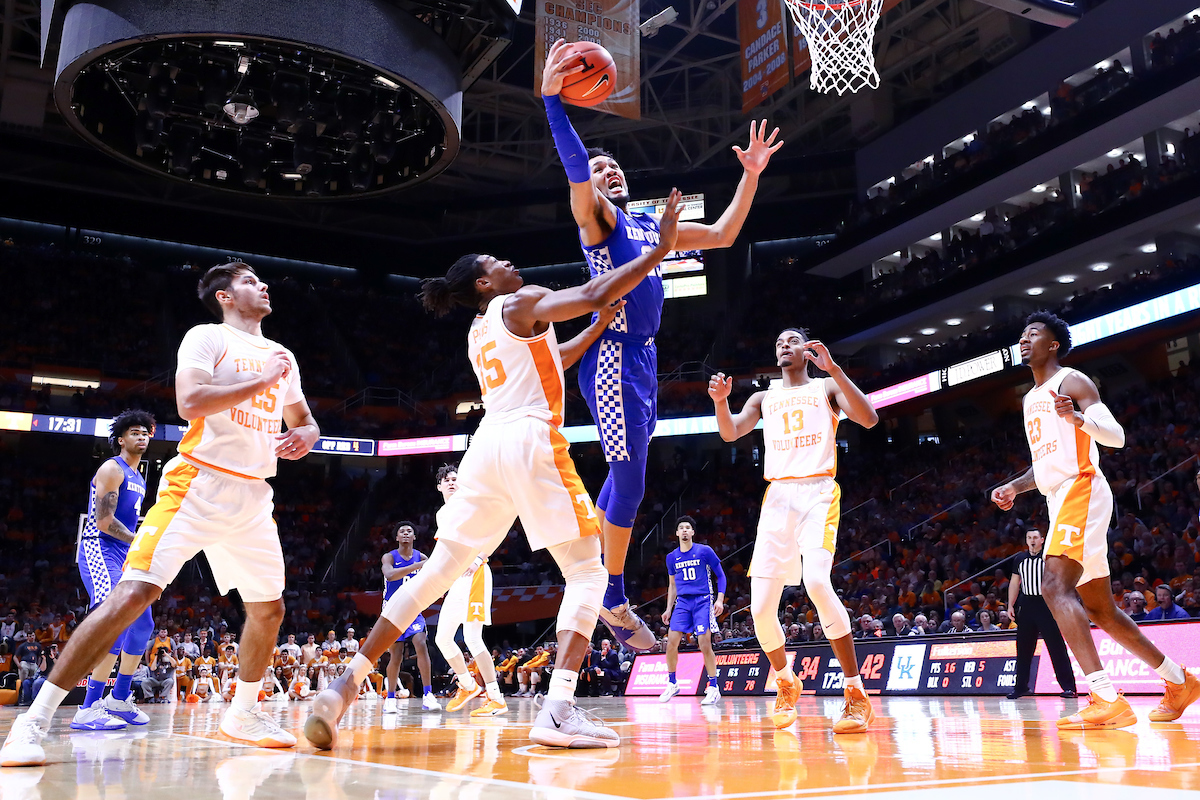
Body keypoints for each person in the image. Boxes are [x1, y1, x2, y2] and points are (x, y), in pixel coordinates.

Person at [302, 191, 682, 751]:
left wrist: (600, 327)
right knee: (588, 572)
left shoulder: (480, 330)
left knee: (435, 573)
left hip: (486, 449)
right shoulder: (522, 299)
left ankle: (343, 685)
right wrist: (661, 250)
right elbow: (597, 289)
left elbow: (556, 357)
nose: (507, 264)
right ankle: (557, 709)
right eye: (494, 264)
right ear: (484, 283)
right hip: (531, 438)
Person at [1, 262, 320, 767]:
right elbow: (190, 402)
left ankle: (242, 713)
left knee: (269, 609)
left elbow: (303, 419)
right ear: (224, 296)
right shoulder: (206, 337)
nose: (263, 286)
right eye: (249, 280)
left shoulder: (284, 356)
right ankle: (32, 723)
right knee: (134, 595)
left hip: (254, 494)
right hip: (196, 482)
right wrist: (259, 381)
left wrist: (307, 435)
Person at [540, 39, 783, 652]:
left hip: (645, 358)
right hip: (612, 353)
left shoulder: (652, 227)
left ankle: (604, 582)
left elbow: (726, 233)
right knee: (629, 472)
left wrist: (748, 176)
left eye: (615, 165)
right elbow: (573, 171)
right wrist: (553, 104)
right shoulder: (598, 222)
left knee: (633, 478)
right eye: (600, 169)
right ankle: (610, 590)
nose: (609, 169)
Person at [991, 311, 1200, 728]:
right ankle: (1180, 682)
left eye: (1033, 334)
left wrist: (1079, 418)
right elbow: (1045, 463)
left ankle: (1105, 696)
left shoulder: (1072, 381)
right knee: (1102, 609)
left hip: (1082, 489)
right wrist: (1015, 486)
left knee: (1052, 585)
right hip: (1059, 496)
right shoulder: (1031, 399)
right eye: (1021, 334)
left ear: (1053, 345)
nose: (1024, 340)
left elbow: (1116, 437)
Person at [708, 328, 879, 734]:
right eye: (778, 342)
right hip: (779, 498)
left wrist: (835, 369)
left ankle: (856, 694)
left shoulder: (826, 387)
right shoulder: (763, 397)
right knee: (761, 609)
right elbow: (730, 431)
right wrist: (719, 402)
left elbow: (869, 419)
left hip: (818, 492)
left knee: (818, 583)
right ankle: (786, 681)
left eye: (791, 340)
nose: (783, 345)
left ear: (807, 349)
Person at [70, 409, 157, 731]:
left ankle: (118, 699)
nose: (142, 437)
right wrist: (139, 541)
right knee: (116, 622)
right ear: (121, 439)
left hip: (124, 554)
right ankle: (88, 707)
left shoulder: (139, 477)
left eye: (146, 433)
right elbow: (105, 523)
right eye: (135, 432)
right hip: (100, 548)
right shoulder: (112, 468)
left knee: (143, 624)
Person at [431, 464, 506, 717]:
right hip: (457, 579)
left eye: (455, 479)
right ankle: (467, 684)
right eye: (447, 480)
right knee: (442, 638)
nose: (452, 482)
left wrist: (478, 560)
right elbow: (447, 552)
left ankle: (496, 698)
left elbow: (493, 532)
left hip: (476, 573)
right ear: (439, 486)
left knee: (473, 638)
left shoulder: (471, 504)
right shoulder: (442, 513)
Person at [659, 516, 726, 706]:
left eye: (688, 527)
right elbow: (672, 585)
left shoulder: (704, 551)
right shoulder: (671, 557)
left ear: (693, 532)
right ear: (677, 533)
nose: (685, 530)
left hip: (703, 600)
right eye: (681, 528)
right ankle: (672, 683)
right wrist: (668, 608)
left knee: (704, 643)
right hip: (682, 602)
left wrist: (719, 600)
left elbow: (721, 576)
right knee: (671, 641)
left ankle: (713, 687)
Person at [1007, 528, 1076, 699]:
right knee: (1023, 648)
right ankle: (1021, 687)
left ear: (1042, 540)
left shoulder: (1049, 557)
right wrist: (1010, 605)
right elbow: (1015, 583)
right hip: (1027, 604)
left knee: (1056, 646)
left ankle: (1069, 687)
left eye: (1035, 537)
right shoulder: (1019, 559)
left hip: (1046, 604)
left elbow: (1061, 578)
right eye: (1029, 537)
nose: (1032, 540)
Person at [379, 520, 439, 713]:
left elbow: (434, 576)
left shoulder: (421, 556)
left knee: (421, 643)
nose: (405, 533)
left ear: (414, 537)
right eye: (402, 531)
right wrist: (418, 566)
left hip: (413, 609)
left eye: (409, 531)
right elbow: (389, 575)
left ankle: (429, 695)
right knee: (395, 655)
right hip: (393, 609)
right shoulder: (389, 557)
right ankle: (390, 698)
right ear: (397, 537)